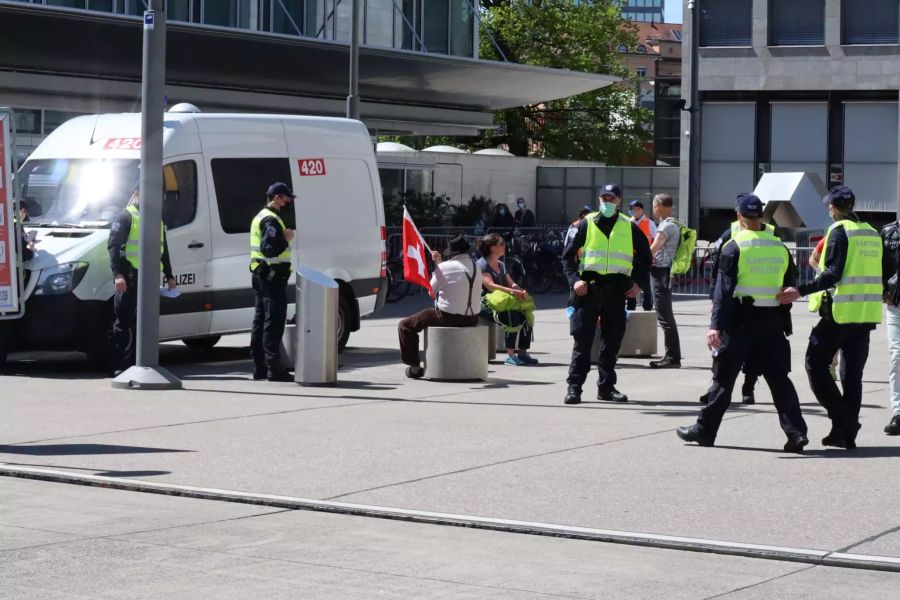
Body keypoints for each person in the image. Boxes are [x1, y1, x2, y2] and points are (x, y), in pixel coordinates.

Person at [677, 194, 808, 452]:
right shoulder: (778, 246)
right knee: (780, 381)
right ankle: (796, 433)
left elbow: (723, 292)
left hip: (740, 324)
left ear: (739, 216)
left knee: (724, 380)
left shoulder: (734, 246)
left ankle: (704, 431)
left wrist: (714, 325)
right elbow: (790, 284)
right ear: (761, 217)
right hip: (772, 323)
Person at [778, 186, 883, 450]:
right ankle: (844, 434)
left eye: (829, 206)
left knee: (815, 364)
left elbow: (833, 273)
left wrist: (799, 290)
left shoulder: (839, 231)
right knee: (852, 376)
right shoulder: (872, 232)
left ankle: (846, 421)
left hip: (841, 313)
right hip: (866, 314)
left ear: (833, 208)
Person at [561, 183, 652, 404]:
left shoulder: (628, 227)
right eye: (603, 198)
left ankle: (606, 388)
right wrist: (575, 281)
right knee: (582, 341)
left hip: (616, 290)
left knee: (612, 341)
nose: (606, 202)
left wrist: (639, 284)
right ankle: (574, 388)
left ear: (619, 201)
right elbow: (567, 257)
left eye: (611, 198)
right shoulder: (586, 223)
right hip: (589, 289)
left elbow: (646, 257)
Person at [107, 189, 177, 375]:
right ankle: (119, 366)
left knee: (145, 323)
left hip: (150, 278)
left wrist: (169, 275)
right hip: (129, 277)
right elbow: (113, 247)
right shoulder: (125, 216)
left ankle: (141, 364)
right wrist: (118, 275)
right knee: (123, 322)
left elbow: (164, 248)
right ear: (136, 193)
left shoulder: (157, 217)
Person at [399, 234, 482, 379]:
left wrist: (439, 266)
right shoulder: (476, 266)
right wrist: (440, 264)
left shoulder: (445, 267)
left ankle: (414, 367)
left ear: (453, 253)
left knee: (405, 325)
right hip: (473, 318)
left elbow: (431, 291)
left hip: (448, 316)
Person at [249, 182, 296, 382]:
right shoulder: (270, 219)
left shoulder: (260, 216)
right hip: (272, 276)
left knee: (260, 320)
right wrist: (286, 239)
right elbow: (268, 248)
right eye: (286, 198)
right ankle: (274, 368)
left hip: (261, 274)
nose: (288, 202)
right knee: (274, 321)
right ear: (276, 197)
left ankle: (259, 366)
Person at [477, 233, 536, 366]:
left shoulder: (501, 264)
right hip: (486, 304)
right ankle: (510, 355)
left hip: (502, 302)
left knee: (526, 316)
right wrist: (511, 291)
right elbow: (490, 286)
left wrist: (519, 289)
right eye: (501, 244)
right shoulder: (481, 265)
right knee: (512, 316)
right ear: (492, 248)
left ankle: (522, 353)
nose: (505, 246)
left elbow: (510, 283)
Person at [647, 194, 681, 369]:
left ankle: (673, 357)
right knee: (666, 315)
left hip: (661, 272)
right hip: (663, 271)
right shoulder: (672, 223)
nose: (653, 208)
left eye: (653, 205)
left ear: (659, 205)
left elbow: (652, 250)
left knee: (664, 316)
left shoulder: (666, 226)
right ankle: (673, 355)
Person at [881, 218, 900, 435]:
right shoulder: (887, 232)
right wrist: (883, 292)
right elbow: (878, 266)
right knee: (897, 357)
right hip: (895, 305)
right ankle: (898, 412)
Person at [626, 200, 655, 312]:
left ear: (640, 209)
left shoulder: (649, 222)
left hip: (644, 257)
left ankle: (647, 306)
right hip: (630, 258)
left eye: (633, 209)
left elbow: (656, 238)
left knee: (646, 283)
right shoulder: (628, 222)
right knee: (630, 282)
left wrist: (653, 254)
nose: (631, 211)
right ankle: (630, 306)